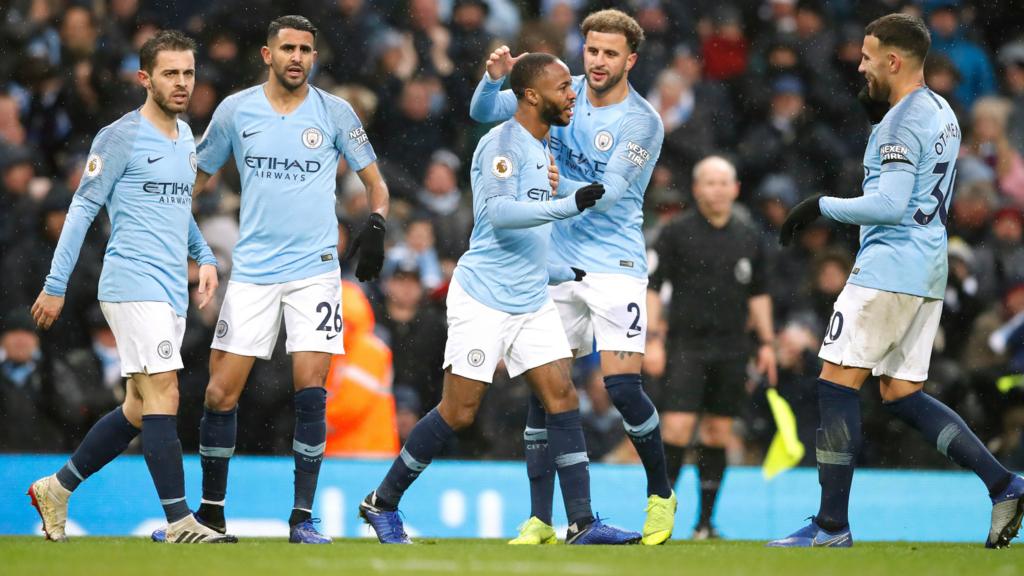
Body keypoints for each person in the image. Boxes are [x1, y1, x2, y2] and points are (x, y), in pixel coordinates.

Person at [358, 52, 639, 546]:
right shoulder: (501, 145)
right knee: (459, 410)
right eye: (561, 88)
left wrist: (561, 269)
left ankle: (581, 522)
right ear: (531, 95)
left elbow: (528, 230)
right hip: (484, 296)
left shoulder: (541, 144)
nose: (571, 93)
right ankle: (382, 503)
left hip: (530, 297)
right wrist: (567, 204)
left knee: (562, 396)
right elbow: (502, 215)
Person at [772, 13, 1024, 548]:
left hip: (888, 265)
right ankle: (1004, 483)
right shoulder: (942, 111)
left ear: (893, 60)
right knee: (902, 392)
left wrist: (820, 205)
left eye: (866, 58)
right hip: (925, 264)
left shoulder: (902, 120)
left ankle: (830, 525)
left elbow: (888, 204)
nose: (859, 65)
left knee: (835, 384)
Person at [155, 15, 390, 545]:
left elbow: (377, 185)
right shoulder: (236, 110)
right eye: (287, 48)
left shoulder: (336, 112)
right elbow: (195, 178)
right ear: (267, 54)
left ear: (313, 56)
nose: (297, 57)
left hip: (315, 273)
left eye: (306, 49)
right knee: (219, 393)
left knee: (313, 393)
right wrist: (165, 226)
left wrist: (375, 224)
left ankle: (302, 518)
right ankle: (211, 514)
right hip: (255, 271)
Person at [469, 8, 675, 546]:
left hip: (617, 264)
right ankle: (541, 519)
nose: (598, 62)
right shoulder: (563, 90)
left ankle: (660, 493)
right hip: (556, 261)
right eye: (592, 51)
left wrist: (552, 186)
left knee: (623, 389)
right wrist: (493, 79)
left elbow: (607, 191)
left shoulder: (642, 121)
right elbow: (487, 112)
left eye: (610, 53)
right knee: (545, 391)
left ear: (630, 59)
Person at [26, 30, 233, 544]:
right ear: (145, 79)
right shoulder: (118, 137)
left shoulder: (187, 138)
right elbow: (82, 209)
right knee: (165, 391)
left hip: (170, 288)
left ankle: (57, 487)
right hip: (130, 282)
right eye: (170, 73)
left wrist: (203, 255)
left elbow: (176, 209)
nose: (182, 83)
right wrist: (55, 284)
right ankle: (181, 521)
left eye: (188, 73)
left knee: (140, 407)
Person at [645, 156, 777, 540]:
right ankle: (661, 516)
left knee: (719, 432)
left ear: (735, 189)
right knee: (676, 426)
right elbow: (653, 287)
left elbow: (759, 294)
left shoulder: (749, 237)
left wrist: (766, 343)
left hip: (733, 346)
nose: (717, 190)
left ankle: (705, 524)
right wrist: (652, 339)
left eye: (724, 183)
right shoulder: (676, 233)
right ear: (696, 189)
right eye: (709, 182)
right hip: (685, 344)